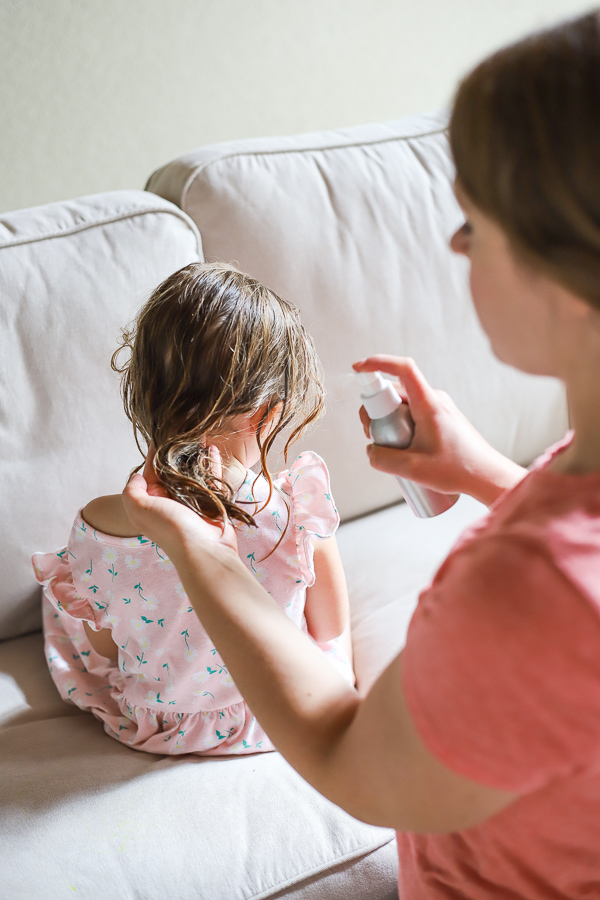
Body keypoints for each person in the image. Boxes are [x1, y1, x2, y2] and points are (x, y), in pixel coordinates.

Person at [118, 11, 600, 898]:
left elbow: (347, 752)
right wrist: (486, 471)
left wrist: (191, 546)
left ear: (565, 275)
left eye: (475, 223)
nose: (456, 246)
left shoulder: (528, 593)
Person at [32, 262, 353, 756]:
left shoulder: (97, 527)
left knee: (67, 606)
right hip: (280, 718)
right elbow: (329, 628)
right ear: (269, 413)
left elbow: (107, 653)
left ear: (141, 395)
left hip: (162, 727)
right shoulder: (294, 509)